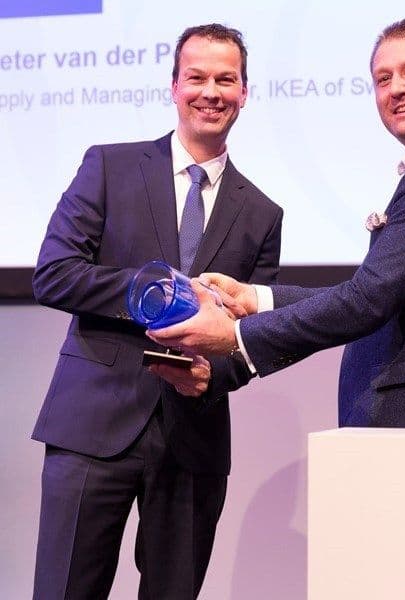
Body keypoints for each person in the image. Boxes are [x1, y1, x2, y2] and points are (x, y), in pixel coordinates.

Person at [148, 19, 405, 599]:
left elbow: (369, 299)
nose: (395, 88)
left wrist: (237, 339)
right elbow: (377, 289)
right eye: (382, 78)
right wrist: (256, 298)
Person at [31, 23, 282, 600]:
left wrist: (211, 373)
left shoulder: (263, 213)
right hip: (91, 423)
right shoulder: (109, 167)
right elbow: (54, 273)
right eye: (196, 77)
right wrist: (158, 294)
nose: (210, 91)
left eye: (226, 79)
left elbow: (254, 335)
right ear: (174, 86)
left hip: (192, 441)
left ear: (245, 92)